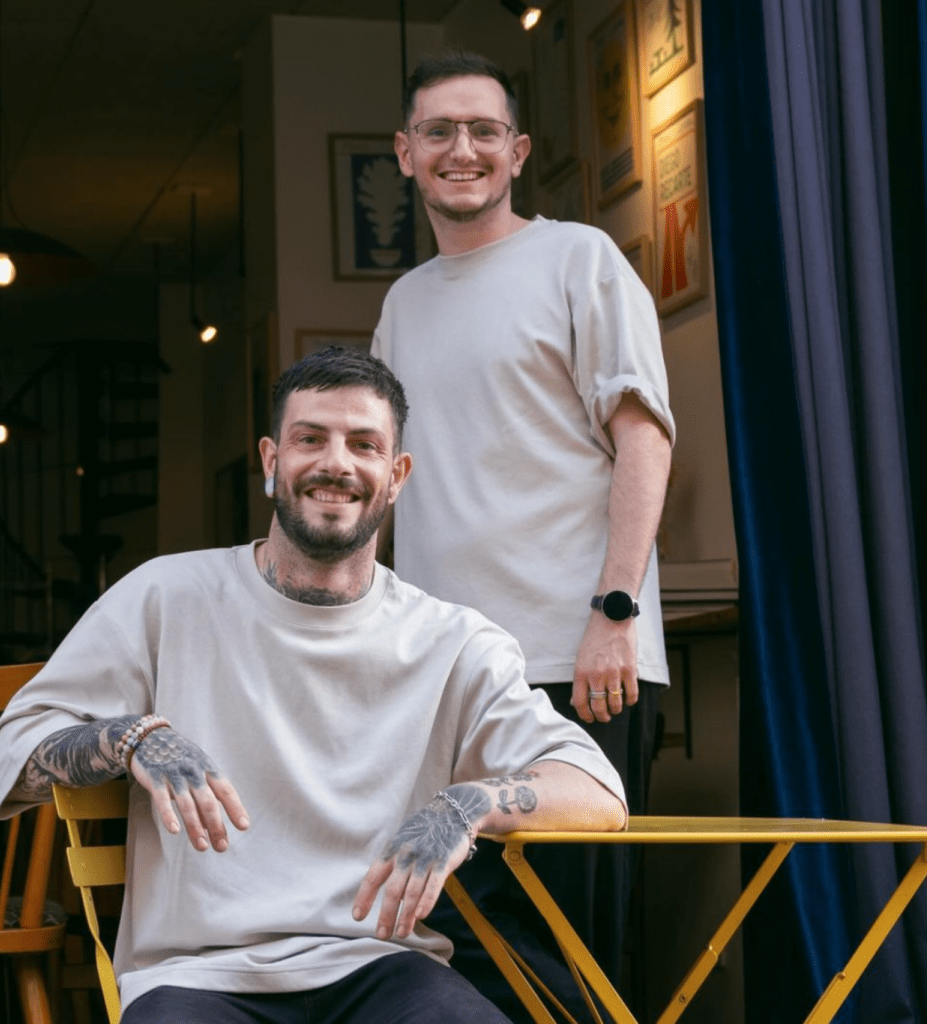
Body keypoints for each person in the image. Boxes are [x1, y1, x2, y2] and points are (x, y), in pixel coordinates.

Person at [0, 346, 628, 1024]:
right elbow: (15, 748)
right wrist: (127, 739)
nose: (336, 464)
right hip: (199, 975)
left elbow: (598, 788)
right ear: (271, 462)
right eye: (310, 439)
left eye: (364, 445)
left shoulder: (455, 642)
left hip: (384, 967)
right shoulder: (163, 597)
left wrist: (467, 805)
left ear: (396, 474)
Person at [371, 51, 675, 1018]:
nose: (463, 150)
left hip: (577, 656)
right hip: (443, 676)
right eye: (440, 132)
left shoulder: (579, 257)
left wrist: (614, 613)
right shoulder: (402, 303)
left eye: (484, 131)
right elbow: (389, 489)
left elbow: (644, 438)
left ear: (518, 151)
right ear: (406, 153)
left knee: (570, 954)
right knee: (467, 948)